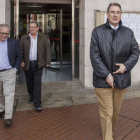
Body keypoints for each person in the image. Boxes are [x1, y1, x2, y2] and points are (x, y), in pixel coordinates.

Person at [90, 3, 139, 140]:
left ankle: (109, 132)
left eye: (118, 12)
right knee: (107, 112)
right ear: (107, 14)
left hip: (122, 80)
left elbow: (135, 52)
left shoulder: (128, 33)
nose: (115, 14)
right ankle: (108, 138)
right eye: (112, 12)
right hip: (102, 80)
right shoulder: (97, 32)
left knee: (115, 112)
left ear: (121, 14)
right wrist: (107, 75)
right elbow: (94, 56)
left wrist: (126, 66)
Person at [20, 21, 51, 111]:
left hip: (38, 64)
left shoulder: (43, 37)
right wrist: (21, 61)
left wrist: (47, 61)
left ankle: (37, 103)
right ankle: (32, 96)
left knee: (37, 84)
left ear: (38, 28)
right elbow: (20, 50)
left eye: (34, 27)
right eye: (30, 27)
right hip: (27, 64)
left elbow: (47, 50)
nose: (32, 29)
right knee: (29, 83)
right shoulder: (24, 38)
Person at [0, 24, 22, 126]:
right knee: (0, 94)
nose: (5, 35)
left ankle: (8, 116)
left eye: (7, 33)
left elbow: (19, 56)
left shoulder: (14, 42)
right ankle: (1, 109)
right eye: (3, 33)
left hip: (9, 72)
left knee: (8, 94)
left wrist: (15, 69)